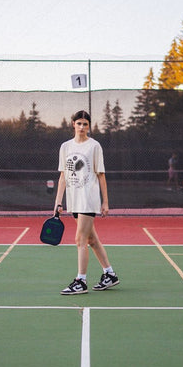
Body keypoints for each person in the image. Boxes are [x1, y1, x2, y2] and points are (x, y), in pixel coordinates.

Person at [54, 110, 119, 295]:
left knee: (80, 240)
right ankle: (110, 274)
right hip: (73, 199)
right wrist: (58, 201)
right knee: (91, 239)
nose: (82, 127)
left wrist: (105, 202)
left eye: (85, 124)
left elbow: (101, 175)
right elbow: (63, 176)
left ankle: (80, 281)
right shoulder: (65, 147)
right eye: (79, 123)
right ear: (73, 124)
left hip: (88, 199)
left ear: (89, 126)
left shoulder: (94, 146)